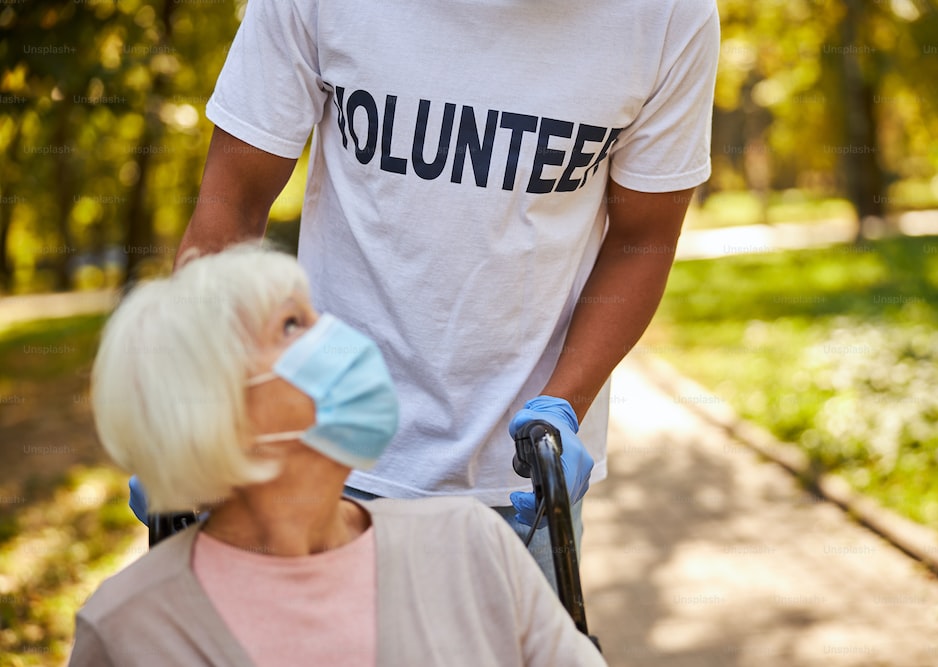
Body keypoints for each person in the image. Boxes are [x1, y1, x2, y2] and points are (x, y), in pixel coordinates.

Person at [131, 0, 721, 584]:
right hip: (310, 454)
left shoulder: (670, 15)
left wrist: (565, 404)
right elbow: (232, 204)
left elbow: (642, 239)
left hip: (521, 493)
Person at [69, 245, 605, 666]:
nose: (335, 338)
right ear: (212, 405)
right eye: (291, 325)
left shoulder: (472, 543)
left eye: (314, 316)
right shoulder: (128, 630)